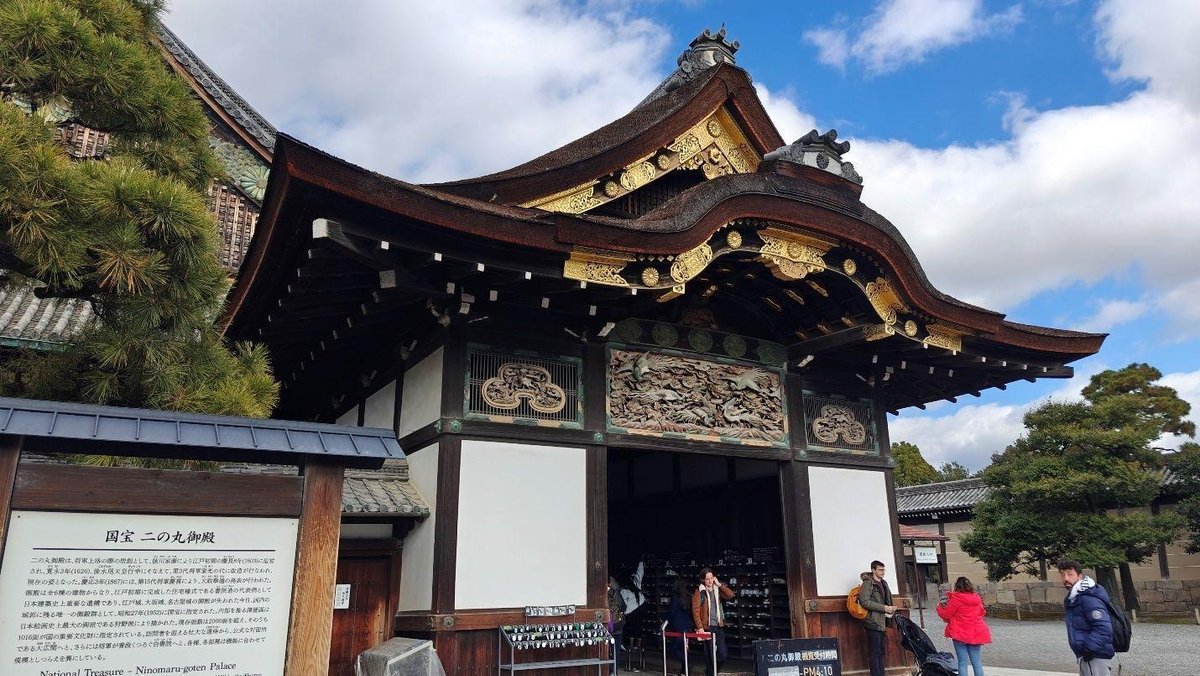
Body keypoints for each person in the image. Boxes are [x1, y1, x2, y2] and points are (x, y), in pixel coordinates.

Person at [1058, 560, 1115, 676]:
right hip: (1089, 656)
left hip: (1095, 656)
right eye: (1062, 574)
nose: (1065, 578)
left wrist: (1089, 649)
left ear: (1079, 576)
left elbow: (1104, 628)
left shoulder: (1088, 597)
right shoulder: (1076, 597)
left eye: (1069, 574)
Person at [936, 576, 991, 676]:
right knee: (977, 662)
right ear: (970, 585)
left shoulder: (956, 599)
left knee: (962, 662)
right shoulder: (977, 598)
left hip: (960, 633)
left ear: (957, 586)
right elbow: (982, 613)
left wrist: (939, 606)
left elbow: (946, 614)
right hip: (976, 632)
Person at [691, 568, 734, 676]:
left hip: (718, 626)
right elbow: (695, 611)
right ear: (703, 580)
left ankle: (713, 672)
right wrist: (700, 627)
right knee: (709, 655)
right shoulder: (699, 592)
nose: (710, 581)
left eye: (711, 578)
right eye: (707, 579)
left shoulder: (717, 589)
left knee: (722, 654)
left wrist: (719, 584)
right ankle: (710, 674)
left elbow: (731, 595)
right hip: (707, 627)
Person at [856, 560, 897, 676]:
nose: (883, 572)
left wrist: (890, 609)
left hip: (882, 621)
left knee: (880, 652)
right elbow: (864, 602)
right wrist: (884, 608)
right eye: (880, 569)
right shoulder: (868, 583)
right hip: (872, 621)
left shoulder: (884, 583)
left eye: (883, 569)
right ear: (873, 570)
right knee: (874, 653)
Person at [665, 578, 693, 674]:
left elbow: (672, 611)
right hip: (687, 625)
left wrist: (666, 620)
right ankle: (684, 670)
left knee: (674, 649)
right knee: (684, 649)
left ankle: (686, 664)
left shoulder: (675, 596)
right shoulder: (688, 596)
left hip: (677, 626)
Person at [607, 576, 626, 675]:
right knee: (616, 651)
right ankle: (614, 672)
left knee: (604, 649)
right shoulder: (616, 593)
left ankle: (605, 670)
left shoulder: (599, 595)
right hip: (617, 626)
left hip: (606, 626)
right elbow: (624, 607)